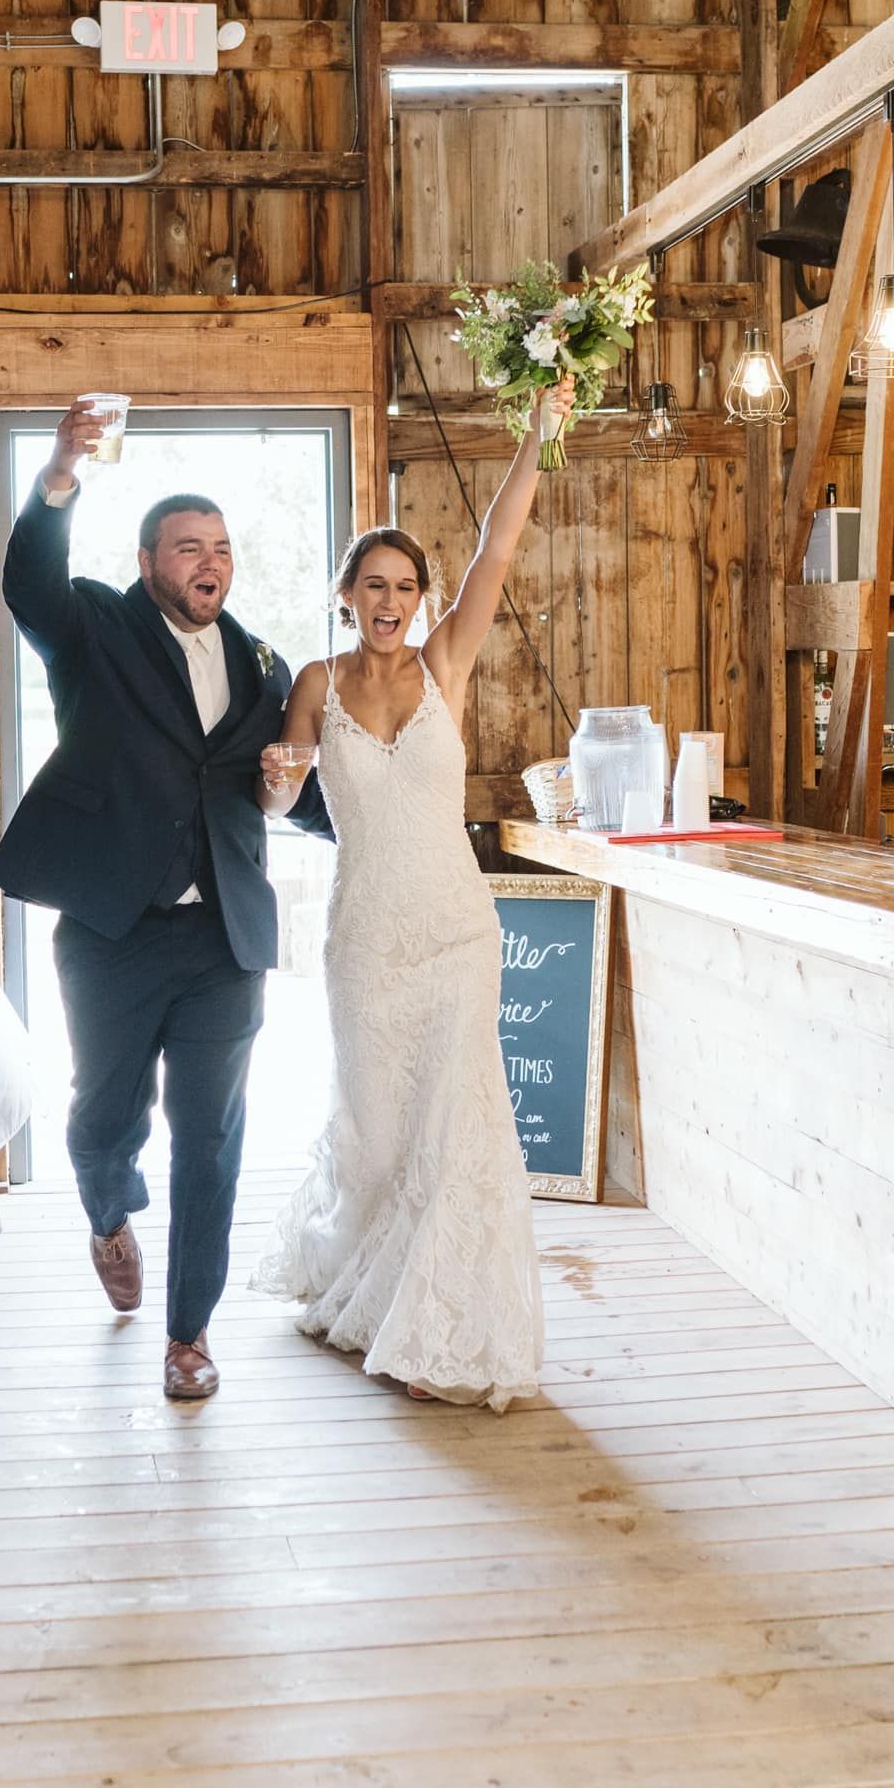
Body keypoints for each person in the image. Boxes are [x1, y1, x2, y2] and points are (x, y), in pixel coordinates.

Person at [0, 400, 332, 1400]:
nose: (207, 561)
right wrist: (58, 473)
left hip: (226, 937)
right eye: (188, 547)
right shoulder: (96, 626)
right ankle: (104, 1213)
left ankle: (189, 1333)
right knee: (101, 1118)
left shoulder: (264, 664)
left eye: (220, 546)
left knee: (213, 1134)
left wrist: (353, 811)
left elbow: (293, 787)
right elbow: (28, 584)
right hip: (112, 929)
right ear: (149, 561)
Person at [251, 376, 576, 1408]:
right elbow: (284, 787)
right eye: (372, 586)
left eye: (404, 587)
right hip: (365, 937)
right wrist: (273, 780)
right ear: (345, 593)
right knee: (380, 1128)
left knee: (460, 1128)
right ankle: (369, 1287)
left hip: (453, 929)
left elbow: (498, 547)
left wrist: (536, 434)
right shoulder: (314, 680)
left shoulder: (445, 662)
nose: (389, 603)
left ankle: (448, 1319)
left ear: (421, 599)